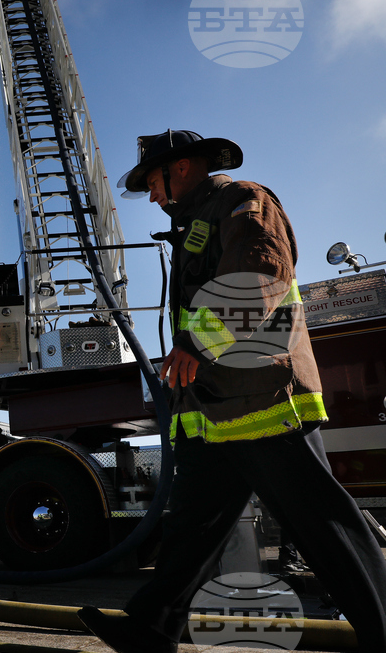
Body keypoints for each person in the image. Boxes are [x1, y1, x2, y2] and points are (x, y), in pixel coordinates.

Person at [78, 130, 386, 653]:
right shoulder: (196, 226)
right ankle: (149, 630)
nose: (152, 197)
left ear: (181, 168)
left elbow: (260, 275)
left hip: (263, 403)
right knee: (190, 534)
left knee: (324, 530)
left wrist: (196, 343)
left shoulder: (245, 202)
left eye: (152, 182)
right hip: (215, 412)